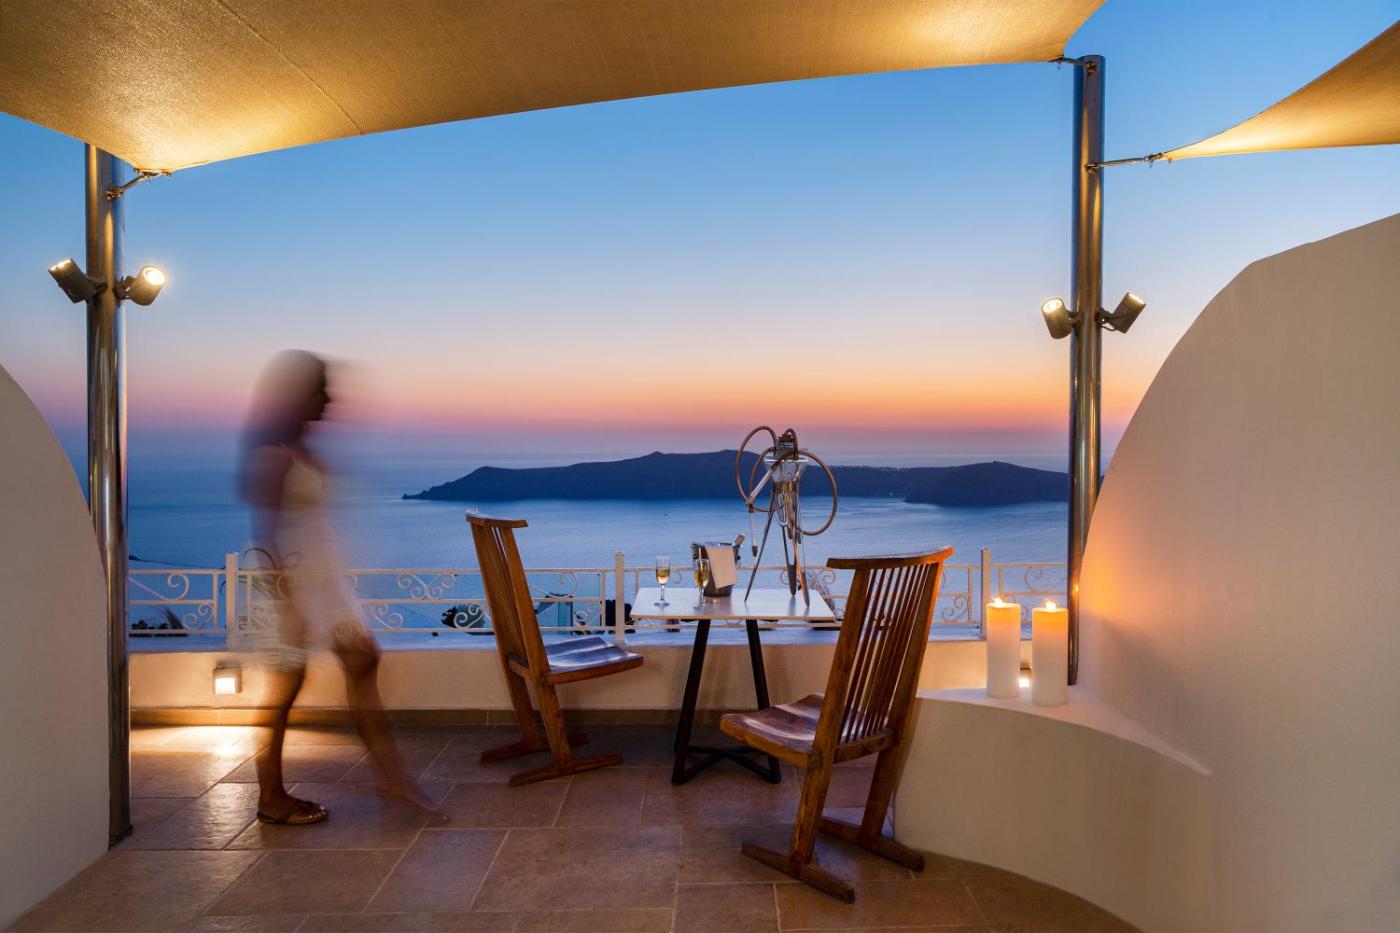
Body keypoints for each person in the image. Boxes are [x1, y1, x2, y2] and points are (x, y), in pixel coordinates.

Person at [239, 350, 428, 824]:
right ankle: (271, 797)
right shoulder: (273, 456)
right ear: (300, 395)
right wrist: (287, 604)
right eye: (321, 390)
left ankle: (393, 780)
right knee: (284, 688)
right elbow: (266, 535)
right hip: (295, 585)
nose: (329, 399)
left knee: (363, 661)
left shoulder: (300, 449)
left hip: (325, 583)